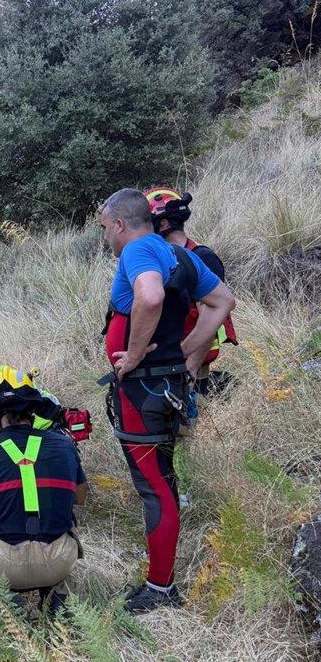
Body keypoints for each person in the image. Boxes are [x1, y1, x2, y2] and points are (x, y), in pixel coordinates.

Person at [99, 188, 236, 613]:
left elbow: (151, 296)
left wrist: (137, 354)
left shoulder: (137, 251)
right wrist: (187, 355)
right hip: (168, 385)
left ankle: (160, 588)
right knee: (163, 481)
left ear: (120, 224)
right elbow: (222, 302)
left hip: (142, 390)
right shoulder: (178, 253)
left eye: (105, 228)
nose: (105, 236)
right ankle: (161, 577)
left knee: (155, 488)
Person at [0, 367, 87, 617]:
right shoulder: (64, 445)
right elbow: (80, 498)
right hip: (59, 559)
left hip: (3, 564)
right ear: (33, 408)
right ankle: (57, 594)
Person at [144, 187, 238, 400]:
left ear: (164, 224)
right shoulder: (166, 260)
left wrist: (190, 368)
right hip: (172, 362)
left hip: (190, 366)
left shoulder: (202, 259)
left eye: (147, 224)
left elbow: (210, 318)